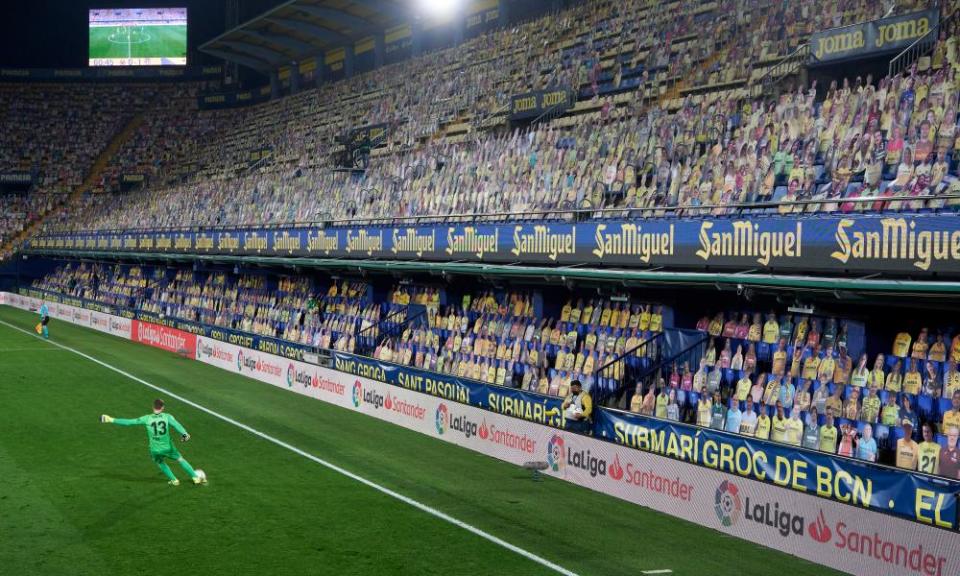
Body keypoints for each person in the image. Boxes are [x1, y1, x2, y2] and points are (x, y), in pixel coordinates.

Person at [100, 399, 206, 486]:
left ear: (153, 407)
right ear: (162, 408)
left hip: (155, 449)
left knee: (160, 462)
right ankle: (195, 477)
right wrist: (185, 434)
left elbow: (129, 422)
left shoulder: (147, 418)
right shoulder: (167, 416)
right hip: (168, 447)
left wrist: (111, 419)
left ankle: (174, 480)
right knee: (180, 459)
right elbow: (176, 425)